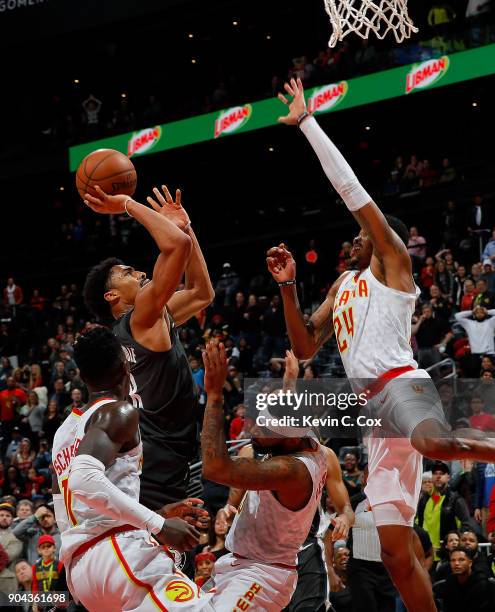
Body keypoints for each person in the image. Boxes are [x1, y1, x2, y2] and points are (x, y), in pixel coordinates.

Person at [269, 77, 495, 612]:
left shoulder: (394, 266)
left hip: (402, 384)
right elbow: (303, 346)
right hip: (374, 412)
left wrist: (308, 124)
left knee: (435, 444)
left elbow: (354, 193)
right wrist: (286, 286)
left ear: (379, 238)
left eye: (361, 233)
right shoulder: (342, 285)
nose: (353, 237)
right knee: (394, 550)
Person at [51, 326, 213, 610]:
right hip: (117, 552)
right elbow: (84, 480)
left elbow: (68, 512)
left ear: (83, 376)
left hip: (82, 571)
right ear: (126, 364)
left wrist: (156, 514)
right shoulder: (119, 411)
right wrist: (158, 524)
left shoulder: (64, 432)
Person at [83, 184, 214, 510]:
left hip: (159, 460)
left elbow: (201, 293)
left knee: (170, 555)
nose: (140, 273)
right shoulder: (141, 320)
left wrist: (187, 229)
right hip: (163, 464)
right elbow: (176, 247)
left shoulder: (136, 327)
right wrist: (127, 203)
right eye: (127, 273)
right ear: (111, 296)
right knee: (173, 555)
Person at [200, 341, 329, 610]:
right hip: (240, 563)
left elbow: (215, 468)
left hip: (263, 573)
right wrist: (290, 380)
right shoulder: (305, 438)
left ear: (290, 443)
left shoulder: (291, 471)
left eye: (263, 430)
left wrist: (214, 396)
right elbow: (289, 412)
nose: (254, 433)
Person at [433, 547, 494, 611]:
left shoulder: (481, 584)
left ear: (470, 563)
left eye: (461, 560)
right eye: (453, 560)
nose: (456, 563)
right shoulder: (450, 581)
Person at [0, 502, 23, 595]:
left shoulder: (17, 536)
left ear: (12, 519)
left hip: (7, 583)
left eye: (8, 515)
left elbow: (7, 557)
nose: (4, 517)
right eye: (1, 515)